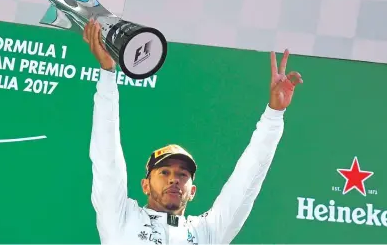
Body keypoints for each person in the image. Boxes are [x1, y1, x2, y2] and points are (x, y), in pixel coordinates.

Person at [83, 19, 303, 244]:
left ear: (193, 190)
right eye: (164, 172)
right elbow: (107, 157)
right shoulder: (122, 217)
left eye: (182, 175)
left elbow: (246, 182)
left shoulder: (206, 232)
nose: (174, 180)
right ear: (145, 185)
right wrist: (107, 74)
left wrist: (274, 115)